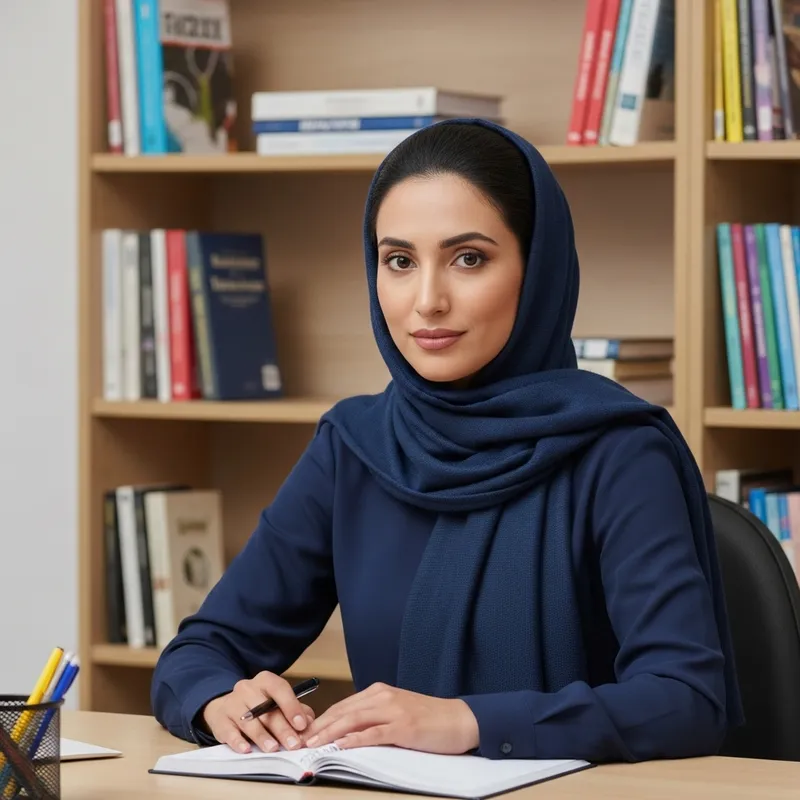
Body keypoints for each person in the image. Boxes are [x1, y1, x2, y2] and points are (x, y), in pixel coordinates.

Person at [151, 118, 743, 763]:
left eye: (469, 259)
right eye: (399, 261)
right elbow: (200, 652)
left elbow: (687, 701)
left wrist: (470, 722)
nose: (427, 301)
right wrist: (219, 699)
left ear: (537, 268)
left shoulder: (620, 451)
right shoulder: (354, 447)